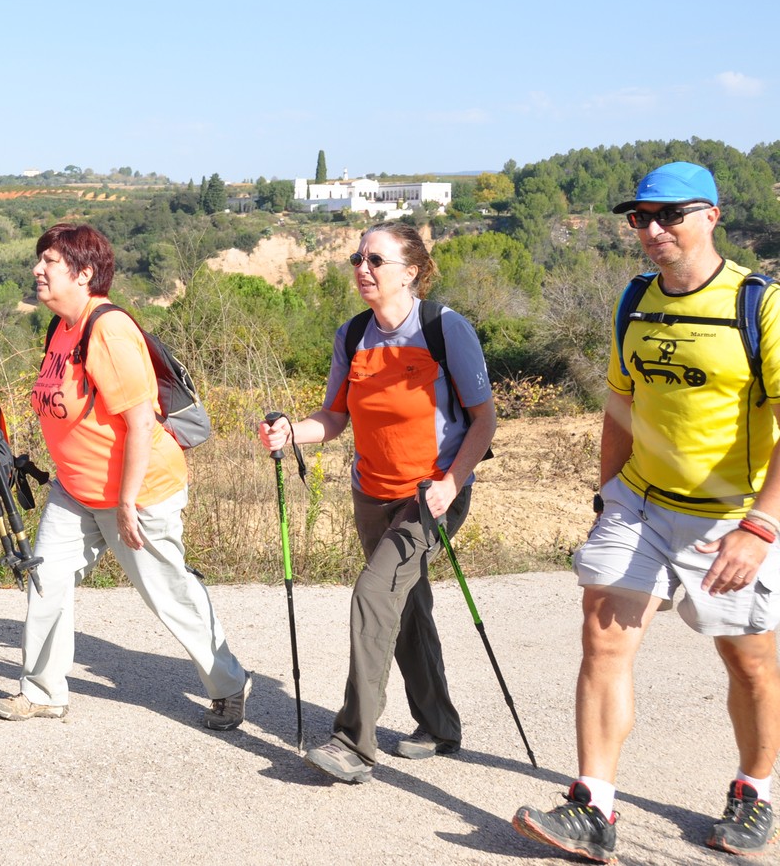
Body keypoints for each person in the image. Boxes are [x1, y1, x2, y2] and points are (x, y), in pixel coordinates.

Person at [513, 162, 780, 862]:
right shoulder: (634, 299)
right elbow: (620, 404)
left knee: (749, 663)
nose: (653, 229)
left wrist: (760, 527)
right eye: (641, 217)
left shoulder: (759, 304)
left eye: (670, 215)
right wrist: (608, 495)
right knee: (602, 637)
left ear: (712, 215)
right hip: (640, 503)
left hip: (731, 517)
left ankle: (754, 790)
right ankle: (592, 806)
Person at [259, 220, 495, 784]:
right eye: (357, 259)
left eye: (376, 260)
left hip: (431, 495)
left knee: (373, 594)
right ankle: (439, 726)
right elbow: (333, 417)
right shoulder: (352, 335)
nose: (362, 269)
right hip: (372, 493)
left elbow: (484, 419)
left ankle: (352, 744)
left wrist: (452, 483)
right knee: (403, 605)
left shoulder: (444, 328)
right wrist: (292, 431)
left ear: (411, 271)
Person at [0, 222, 251, 729]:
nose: (37, 270)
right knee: (46, 579)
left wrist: (127, 502)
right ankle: (42, 692)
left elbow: (140, 422)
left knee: (167, 592)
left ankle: (229, 683)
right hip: (76, 488)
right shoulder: (61, 328)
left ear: (84, 274)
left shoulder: (107, 329)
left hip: (138, 491)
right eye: (39, 259)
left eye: (49, 261)